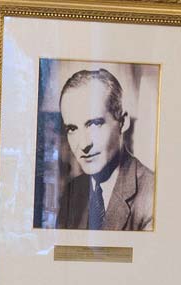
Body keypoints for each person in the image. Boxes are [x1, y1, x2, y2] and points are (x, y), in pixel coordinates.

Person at [53, 68, 154, 231]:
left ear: (123, 122)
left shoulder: (152, 195)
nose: (84, 144)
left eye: (94, 124)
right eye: (72, 128)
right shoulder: (72, 191)